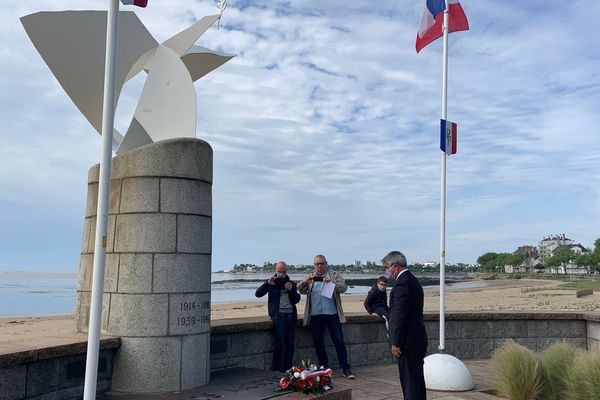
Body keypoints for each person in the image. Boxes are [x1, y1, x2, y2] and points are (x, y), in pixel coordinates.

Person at [297, 254, 355, 379]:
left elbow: (344, 287)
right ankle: (324, 368)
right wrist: (305, 282)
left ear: (326, 263)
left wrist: (332, 283)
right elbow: (299, 289)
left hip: (332, 314)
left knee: (339, 340)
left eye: (322, 263)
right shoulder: (310, 276)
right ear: (314, 265)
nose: (320, 266)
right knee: (318, 341)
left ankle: (346, 368)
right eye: (317, 264)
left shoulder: (333, 274)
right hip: (316, 315)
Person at [382, 251, 428, 400]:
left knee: (410, 383)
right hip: (416, 338)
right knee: (416, 380)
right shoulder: (412, 280)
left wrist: (395, 342)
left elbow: (400, 316)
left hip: (408, 342)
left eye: (386, 267)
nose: (386, 272)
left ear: (395, 266)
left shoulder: (402, 284)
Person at [255, 261, 301, 373]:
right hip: (278, 316)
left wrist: (290, 290)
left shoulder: (291, 283)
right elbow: (258, 294)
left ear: (286, 271)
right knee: (280, 343)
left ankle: (288, 368)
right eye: (279, 271)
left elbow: (296, 299)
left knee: (290, 344)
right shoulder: (272, 283)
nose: (281, 274)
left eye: (283, 272)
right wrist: (267, 284)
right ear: (275, 271)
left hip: (291, 315)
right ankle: (276, 369)